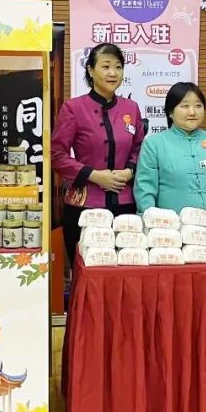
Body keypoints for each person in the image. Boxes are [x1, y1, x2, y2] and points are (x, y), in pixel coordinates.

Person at [51, 43, 145, 264]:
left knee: (126, 267)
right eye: (106, 66)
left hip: (126, 205)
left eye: (118, 67)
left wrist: (130, 171)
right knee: (85, 270)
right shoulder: (73, 108)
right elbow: (57, 155)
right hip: (83, 206)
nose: (113, 73)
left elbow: (140, 149)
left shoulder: (131, 108)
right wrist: (94, 175)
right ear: (91, 70)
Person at [134, 82, 206, 212]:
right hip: (171, 223)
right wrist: (151, 219)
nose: (192, 112)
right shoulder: (154, 144)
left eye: (198, 106)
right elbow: (145, 190)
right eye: (185, 106)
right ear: (170, 112)